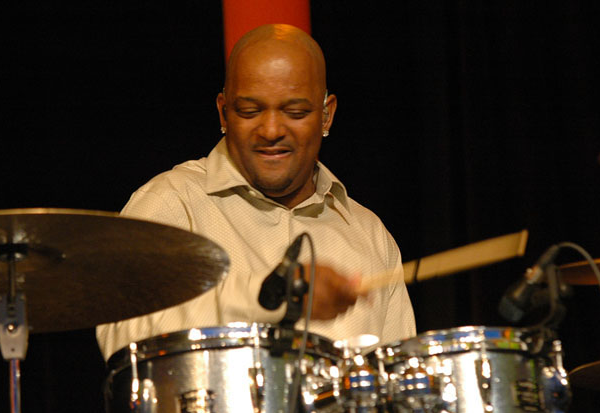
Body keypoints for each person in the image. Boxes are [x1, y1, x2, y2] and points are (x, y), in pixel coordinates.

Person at [96, 24, 415, 360]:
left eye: (295, 112)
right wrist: (275, 297)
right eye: (250, 111)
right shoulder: (171, 203)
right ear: (223, 112)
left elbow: (398, 384)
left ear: (326, 115)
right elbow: (123, 333)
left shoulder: (369, 235)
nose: (271, 130)